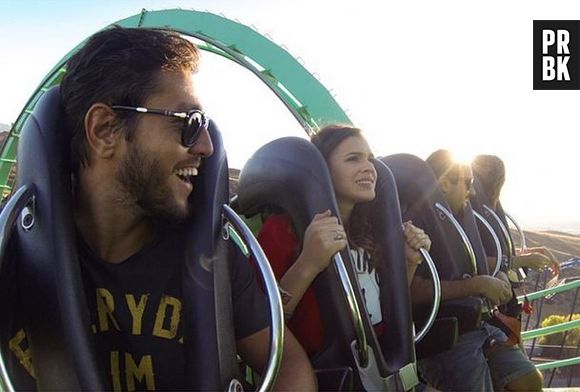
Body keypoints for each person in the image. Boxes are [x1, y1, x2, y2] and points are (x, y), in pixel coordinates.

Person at [1, 27, 316, 391]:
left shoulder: (211, 257)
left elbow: (290, 365)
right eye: (188, 123)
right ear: (105, 130)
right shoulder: (10, 250)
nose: (206, 146)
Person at [257, 124, 431, 356]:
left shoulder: (372, 228)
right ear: (321, 170)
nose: (369, 167)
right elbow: (261, 323)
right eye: (353, 159)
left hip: (381, 357)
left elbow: (384, 303)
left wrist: (409, 262)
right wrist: (307, 263)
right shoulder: (281, 229)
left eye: (370, 159)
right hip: (324, 367)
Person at [411, 149, 543, 391]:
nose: (472, 192)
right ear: (443, 184)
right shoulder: (416, 223)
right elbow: (412, 291)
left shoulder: (462, 217)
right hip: (448, 332)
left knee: (529, 380)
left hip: (481, 323)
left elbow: (477, 264)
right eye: (468, 183)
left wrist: (497, 276)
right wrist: (475, 285)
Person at [471, 154, 560, 275]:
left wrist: (536, 252)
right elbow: (470, 261)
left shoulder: (491, 212)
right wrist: (522, 260)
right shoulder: (471, 212)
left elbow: (498, 253)